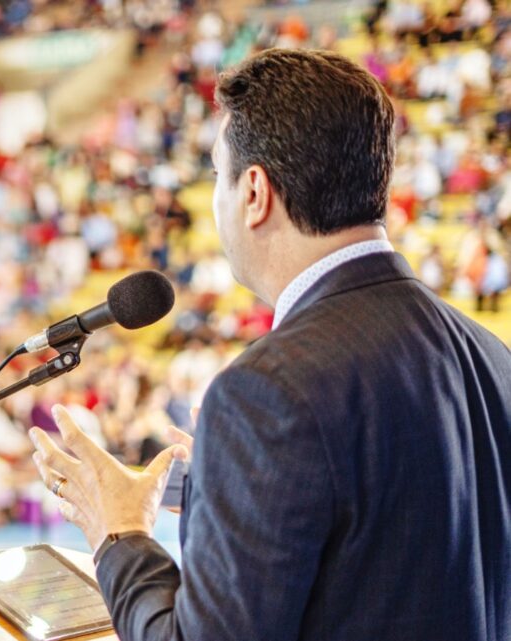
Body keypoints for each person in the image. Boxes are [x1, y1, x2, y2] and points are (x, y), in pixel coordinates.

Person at [30, 49, 511, 641]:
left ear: (254, 191)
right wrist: (225, 493)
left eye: (215, 174)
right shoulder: (490, 355)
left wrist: (120, 534)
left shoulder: (270, 390)